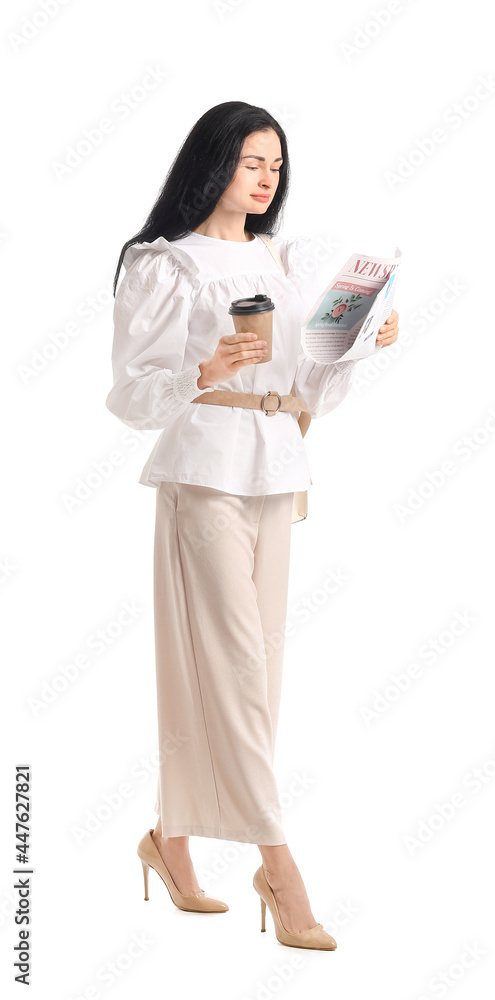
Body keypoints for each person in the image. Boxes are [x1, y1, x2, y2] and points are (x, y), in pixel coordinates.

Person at [105, 101, 399, 949]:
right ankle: (280, 865)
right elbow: (130, 393)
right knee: (232, 661)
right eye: (250, 162)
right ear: (215, 163)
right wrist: (204, 368)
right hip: (202, 469)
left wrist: (357, 344)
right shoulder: (166, 263)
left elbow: (308, 386)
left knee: (258, 669)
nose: (266, 177)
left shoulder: (283, 258)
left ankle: (170, 840)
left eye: (275, 164)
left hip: (274, 466)